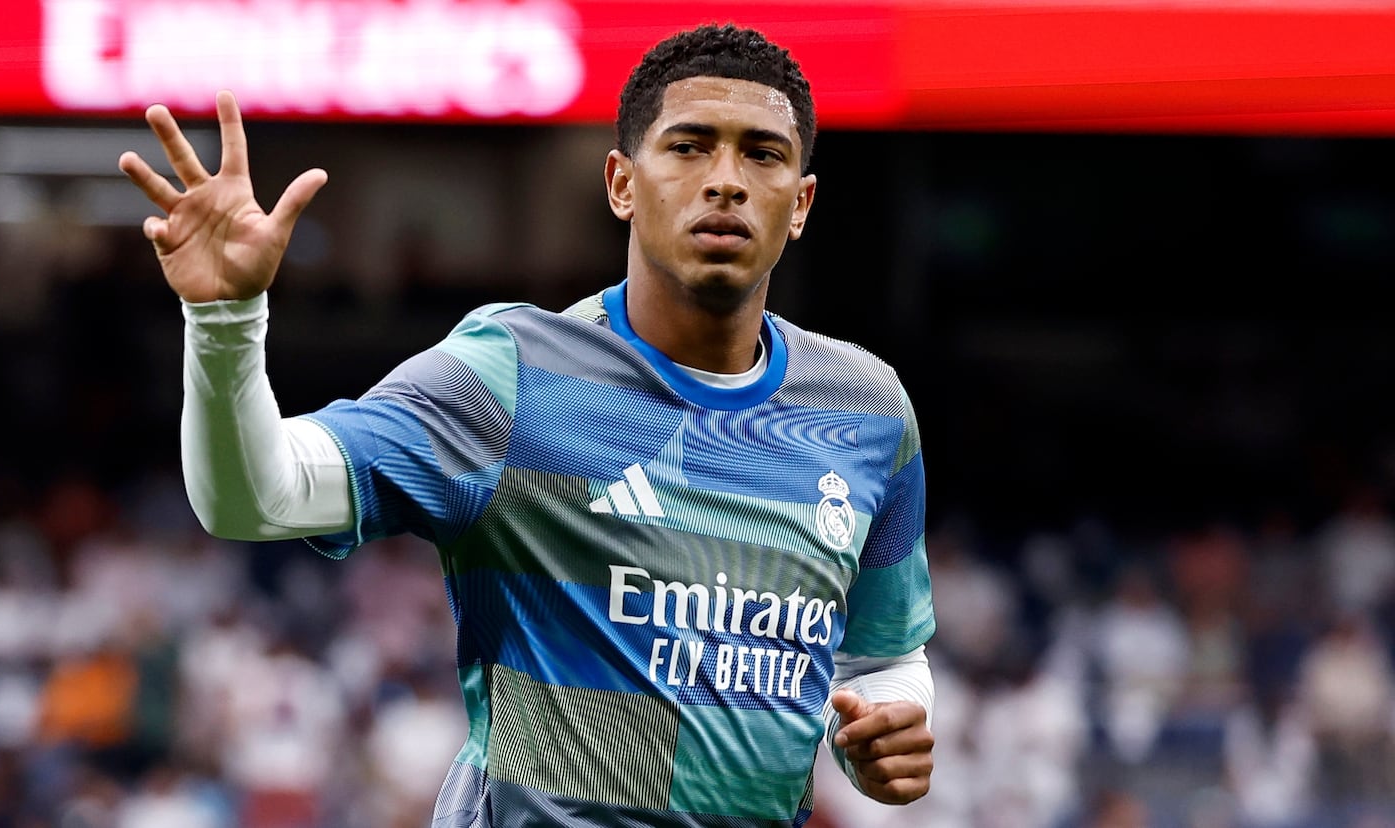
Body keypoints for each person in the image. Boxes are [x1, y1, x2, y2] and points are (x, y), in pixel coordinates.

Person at [119, 22, 937, 827]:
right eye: (689, 147)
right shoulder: (510, 376)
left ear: (801, 203)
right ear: (621, 183)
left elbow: (886, 655)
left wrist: (887, 723)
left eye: (761, 154)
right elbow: (258, 495)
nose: (725, 181)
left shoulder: (866, 410)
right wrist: (225, 318)